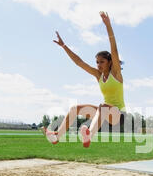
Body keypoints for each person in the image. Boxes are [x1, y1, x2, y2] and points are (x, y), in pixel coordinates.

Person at [43, 11, 126, 148]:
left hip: (118, 116)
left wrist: (108, 26)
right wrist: (64, 46)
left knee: (103, 106)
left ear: (110, 62)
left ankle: (89, 135)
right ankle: (56, 136)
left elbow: (114, 50)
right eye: (97, 62)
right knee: (75, 109)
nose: (98, 65)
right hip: (103, 115)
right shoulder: (98, 75)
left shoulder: (116, 73)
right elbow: (79, 63)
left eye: (102, 62)